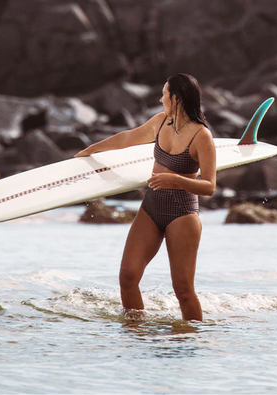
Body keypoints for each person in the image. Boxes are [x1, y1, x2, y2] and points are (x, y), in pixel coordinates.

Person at [75, 73, 217, 320]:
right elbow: (129, 137)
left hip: (182, 214)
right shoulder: (161, 122)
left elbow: (209, 186)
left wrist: (176, 180)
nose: (161, 99)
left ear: (178, 99)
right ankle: (136, 332)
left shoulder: (201, 136)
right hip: (151, 207)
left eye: (164, 94)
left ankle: (192, 337)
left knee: (183, 290)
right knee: (128, 276)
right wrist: (93, 149)